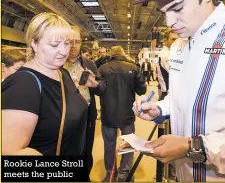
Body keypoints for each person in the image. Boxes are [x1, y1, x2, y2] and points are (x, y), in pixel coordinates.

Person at [133, 0, 225, 181]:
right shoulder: (180, 46)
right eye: (163, 12)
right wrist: (161, 109)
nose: (169, 22)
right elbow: (184, 97)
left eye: (177, 8)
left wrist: (192, 146)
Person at [2, 13, 88, 156]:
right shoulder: (23, 85)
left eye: (67, 43)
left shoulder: (62, 73)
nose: (63, 51)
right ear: (34, 44)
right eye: (54, 45)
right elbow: (10, 151)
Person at [64, 26, 106, 181]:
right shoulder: (58, 63)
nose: (74, 46)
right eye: (70, 42)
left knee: (86, 150)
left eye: (77, 42)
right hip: (63, 116)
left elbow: (103, 87)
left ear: (81, 43)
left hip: (86, 116)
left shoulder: (89, 64)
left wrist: (95, 85)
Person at [98, 46, 147, 182]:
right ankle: (124, 175)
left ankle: (110, 174)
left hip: (108, 114)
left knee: (109, 145)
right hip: (127, 115)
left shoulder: (103, 69)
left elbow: (97, 90)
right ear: (123, 54)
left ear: (112, 54)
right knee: (128, 144)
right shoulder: (134, 68)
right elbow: (142, 89)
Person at [156, 31, 178, 100]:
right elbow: (176, 73)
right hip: (168, 95)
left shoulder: (171, 53)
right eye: (173, 39)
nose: (176, 42)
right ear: (165, 40)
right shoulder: (165, 55)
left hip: (171, 93)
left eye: (177, 39)